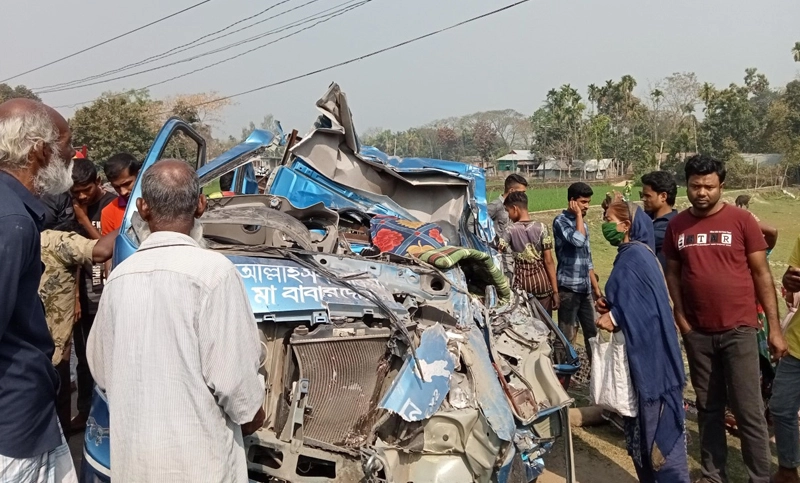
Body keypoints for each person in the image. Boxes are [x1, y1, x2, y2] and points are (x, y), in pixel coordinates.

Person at [87, 160, 265, 482]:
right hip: (199, 467)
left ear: (142, 208)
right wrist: (253, 414)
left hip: (134, 464)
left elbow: (101, 370)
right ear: (201, 205)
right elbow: (236, 385)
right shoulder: (215, 273)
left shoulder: (120, 277)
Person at [663, 154, 787, 483]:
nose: (702, 192)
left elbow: (762, 274)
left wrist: (774, 329)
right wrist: (682, 318)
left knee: (748, 411)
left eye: (709, 186)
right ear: (686, 185)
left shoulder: (741, 221)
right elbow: (672, 273)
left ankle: (759, 477)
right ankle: (713, 476)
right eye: (695, 186)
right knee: (708, 408)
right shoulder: (677, 225)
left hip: (740, 331)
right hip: (698, 333)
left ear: (722, 186)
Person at [0, 98, 78, 480]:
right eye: (67, 143)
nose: (73, 154)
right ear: (39, 150)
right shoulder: (12, 221)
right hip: (13, 425)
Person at [595, 200, 689, 483]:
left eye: (608, 219)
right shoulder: (633, 254)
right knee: (643, 435)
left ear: (626, 226)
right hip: (643, 359)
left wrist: (616, 315)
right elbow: (634, 297)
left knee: (659, 438)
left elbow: (644, 309)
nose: (604, 224)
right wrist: (611, 306)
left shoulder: (635, 257)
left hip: (652, 365)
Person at [39, 220, 116, 431]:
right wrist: (134, 218)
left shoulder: (25, 238)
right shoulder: (55, 241)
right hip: (54, 356)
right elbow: (101, 251)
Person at [69, 157, 117, 431]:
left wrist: (84, 220)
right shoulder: (72, 206)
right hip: (85, 295)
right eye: (76, 192)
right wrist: (75, 297)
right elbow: (73, 255)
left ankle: (112, 412)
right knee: (85, 356)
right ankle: (84, 410)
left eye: (86, 190)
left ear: (98, 182)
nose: (82, 196)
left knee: (110, 355)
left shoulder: (112, 205)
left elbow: (107, 248)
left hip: (108, 293)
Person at [553, 182, 602, 360]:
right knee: (566, 336)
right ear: (572, 201)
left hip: (585, 289)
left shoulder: (583, 225)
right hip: (568, 288)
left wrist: (596, 290)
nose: (587, 206)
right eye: (583, 202)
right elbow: (578, 241)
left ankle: (596, 371)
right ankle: (563, 372)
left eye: (588, 202)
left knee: (593, 334)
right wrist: (579, 215)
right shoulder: (561, 221)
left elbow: (588, 259)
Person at [769, 236, 800, 483]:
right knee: (780, 407)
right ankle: (788, 471)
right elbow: (791, 282)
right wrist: (789, 281)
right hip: (796, 344)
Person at [501, 191, 559, 315]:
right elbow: (549, 261)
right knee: (545, 322)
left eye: (508, 210)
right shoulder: (542, 227)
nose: (508, 215)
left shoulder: (510, 230)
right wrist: (555, 291)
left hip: (522, 287)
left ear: (515, 208)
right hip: (543, 286)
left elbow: (499, 250)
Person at [488, 173, 528, 279]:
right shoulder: (495, 206)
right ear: (511, 191)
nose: (523, 196)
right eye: (521, 192)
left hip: (514, 255)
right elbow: (475, 222)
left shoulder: (517, 206)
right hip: (501, 258)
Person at [640, 171, 678, 268]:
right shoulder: (647, 218)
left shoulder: (671, 226)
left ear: (663, 196)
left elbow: (637, 238)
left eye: (647, 196)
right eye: (642, 195)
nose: (643, 199)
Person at [100, 152, 141, 236]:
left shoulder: (159, 200)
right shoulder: (108, 213)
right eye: (117, 187)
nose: (123, 192)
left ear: (139, 174)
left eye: (127, 184)